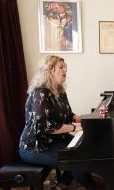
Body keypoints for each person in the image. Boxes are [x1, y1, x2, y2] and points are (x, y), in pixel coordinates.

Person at [19, 55, 94, 189]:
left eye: (65, 67)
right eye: (61, 67)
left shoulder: (60, 90)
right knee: (74, 160)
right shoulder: (40, 92)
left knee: (84, 151)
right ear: (50, 71)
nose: (66, 70)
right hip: (35, 146)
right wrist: (73, 128)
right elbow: (44, 127)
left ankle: (61, 185)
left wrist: (87, 120)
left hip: (54, 140)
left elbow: (69, 114)